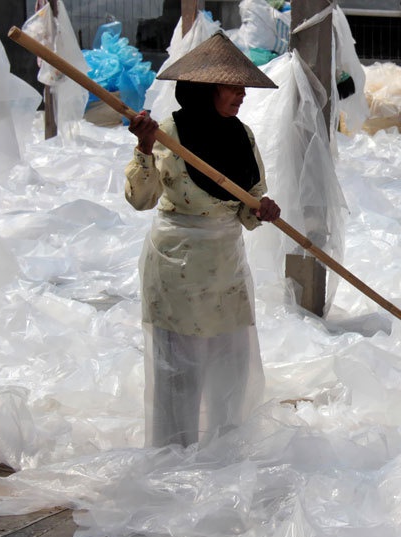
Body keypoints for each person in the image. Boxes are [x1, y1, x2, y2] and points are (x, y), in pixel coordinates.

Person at [124, 32, 281, 447]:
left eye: (242, 87)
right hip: (179, 268)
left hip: (225, 268)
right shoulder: (167, 135)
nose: (242, 95)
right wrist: (143, 147)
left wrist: (263, 209)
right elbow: (142, 198)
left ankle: (223, 452)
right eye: (232, 86)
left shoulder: (241, 136)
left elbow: (247, 204)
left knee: (230, 362)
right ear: (203, 89)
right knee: (181, 370)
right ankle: (174, 459)